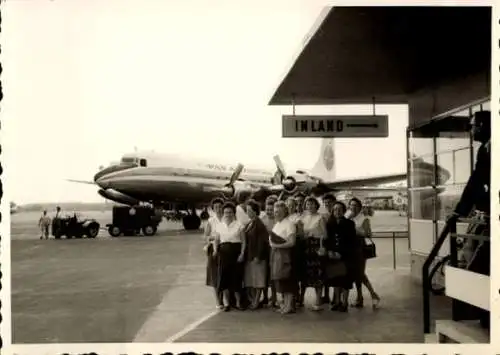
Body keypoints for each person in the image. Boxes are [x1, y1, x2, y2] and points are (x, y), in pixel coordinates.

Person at [447, 110, 490, 328]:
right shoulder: (486, 148)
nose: (471, 131)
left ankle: (488, 316)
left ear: (482, 126)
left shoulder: (489, 148)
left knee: (478, 267)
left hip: (491, 220)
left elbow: (476, 182)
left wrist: (461, 210)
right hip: (486, 216)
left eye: (473, 126)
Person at [347, 197, 380, 308]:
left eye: (356, 205)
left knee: (360, 273)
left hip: (359, 247)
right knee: (356, 274)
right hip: (349, 247)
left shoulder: (363, 219)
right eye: (351, 205)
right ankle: (360, 298)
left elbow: (367, 233)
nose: (353, 207)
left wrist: (352, 227)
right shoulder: (347, 217)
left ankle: (372, 294)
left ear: (360, 207)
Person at [325, 201, 358, 312]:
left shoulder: (349, 224)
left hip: (346, 256)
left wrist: (342, 252)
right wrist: (329, 251)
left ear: (344, 211)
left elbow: (352, 242)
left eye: (339, 209)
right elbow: (328, 240)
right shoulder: (329, 224)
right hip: (333, 256)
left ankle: (345, 302)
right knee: (335, 280)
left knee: (345, 281)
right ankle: (337, 301)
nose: (337, 211)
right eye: (335, 209)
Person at [214, 202, 246, 311]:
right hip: (223, 255)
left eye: (230, 212)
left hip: (235, 253)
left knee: (236, 278)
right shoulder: (219, 225)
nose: (228, 214)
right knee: (225, 280)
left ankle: (238, 303)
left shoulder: (239, 225)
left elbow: (244, 241)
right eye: (226, 212)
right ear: (223, 213)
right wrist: (215, 251)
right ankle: (227, 304)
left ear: (234, 213)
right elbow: (216, 240)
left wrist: (242, 254)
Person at [269, 201, 297, 314]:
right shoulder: (276, 224)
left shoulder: (289, 224)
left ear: (285, 211)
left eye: (279, 212)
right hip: (276, 255)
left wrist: (276, 245)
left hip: (286, 255)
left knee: (287, 279)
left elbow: (292, 242)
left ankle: (289, 305)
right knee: (280, 280)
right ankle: (285, 304)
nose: (277, 214)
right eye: (275, 212)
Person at [300, 196, 327, 310]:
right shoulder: (303, 218)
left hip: (316, 248)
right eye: (308, 204)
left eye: (312, 204)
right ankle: (301, 298)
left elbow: (325, 234)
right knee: (305, 275)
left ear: (316, 205)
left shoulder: (320, 218)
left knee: (317, 275)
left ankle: (318, 300)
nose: (310, 206)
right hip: (306, 248)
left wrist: (314, 235)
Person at [243, 200, 270, 309]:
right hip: (250, 255)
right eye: (247, 210)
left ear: (255, 211)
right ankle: (254, 299)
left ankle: (256, 301)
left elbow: (262, 241)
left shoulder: (259, 224)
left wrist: (258, 255)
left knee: (258, 280)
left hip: (256, 256)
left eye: (249, 210)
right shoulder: (250, 222)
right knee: (252, 279)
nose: (247, 212)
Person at [203, 198, 224, 309]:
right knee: (214, 276)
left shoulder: (227, 218)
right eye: (216, 207)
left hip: (225, 248)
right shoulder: (211, 221)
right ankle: (218, 301)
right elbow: (205, 237)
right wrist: (214, 237)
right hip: (214, 249)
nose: (219, 209)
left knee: (224, 275)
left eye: (220, 206)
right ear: (213, 209)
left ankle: (227, 301)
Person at [260, 199, 277, 308]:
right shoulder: (262, 219)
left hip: (274, 248)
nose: (269, 212)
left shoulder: (277, 220)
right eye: (267, 209)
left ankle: (274, 297)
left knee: (273, 275)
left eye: (271, 210)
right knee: (264, 274)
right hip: (264, 249)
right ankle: (265, 297)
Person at [320, 193, 336, 303]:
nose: (327, 205)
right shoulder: (323, 215)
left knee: (336, 272)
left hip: (336, 245)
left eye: (329, 202)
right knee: (325, 271)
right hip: (326, 244)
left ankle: (336, 296)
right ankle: (326, 295)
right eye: (325, 203)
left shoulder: (338, 214)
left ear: (334, 202)